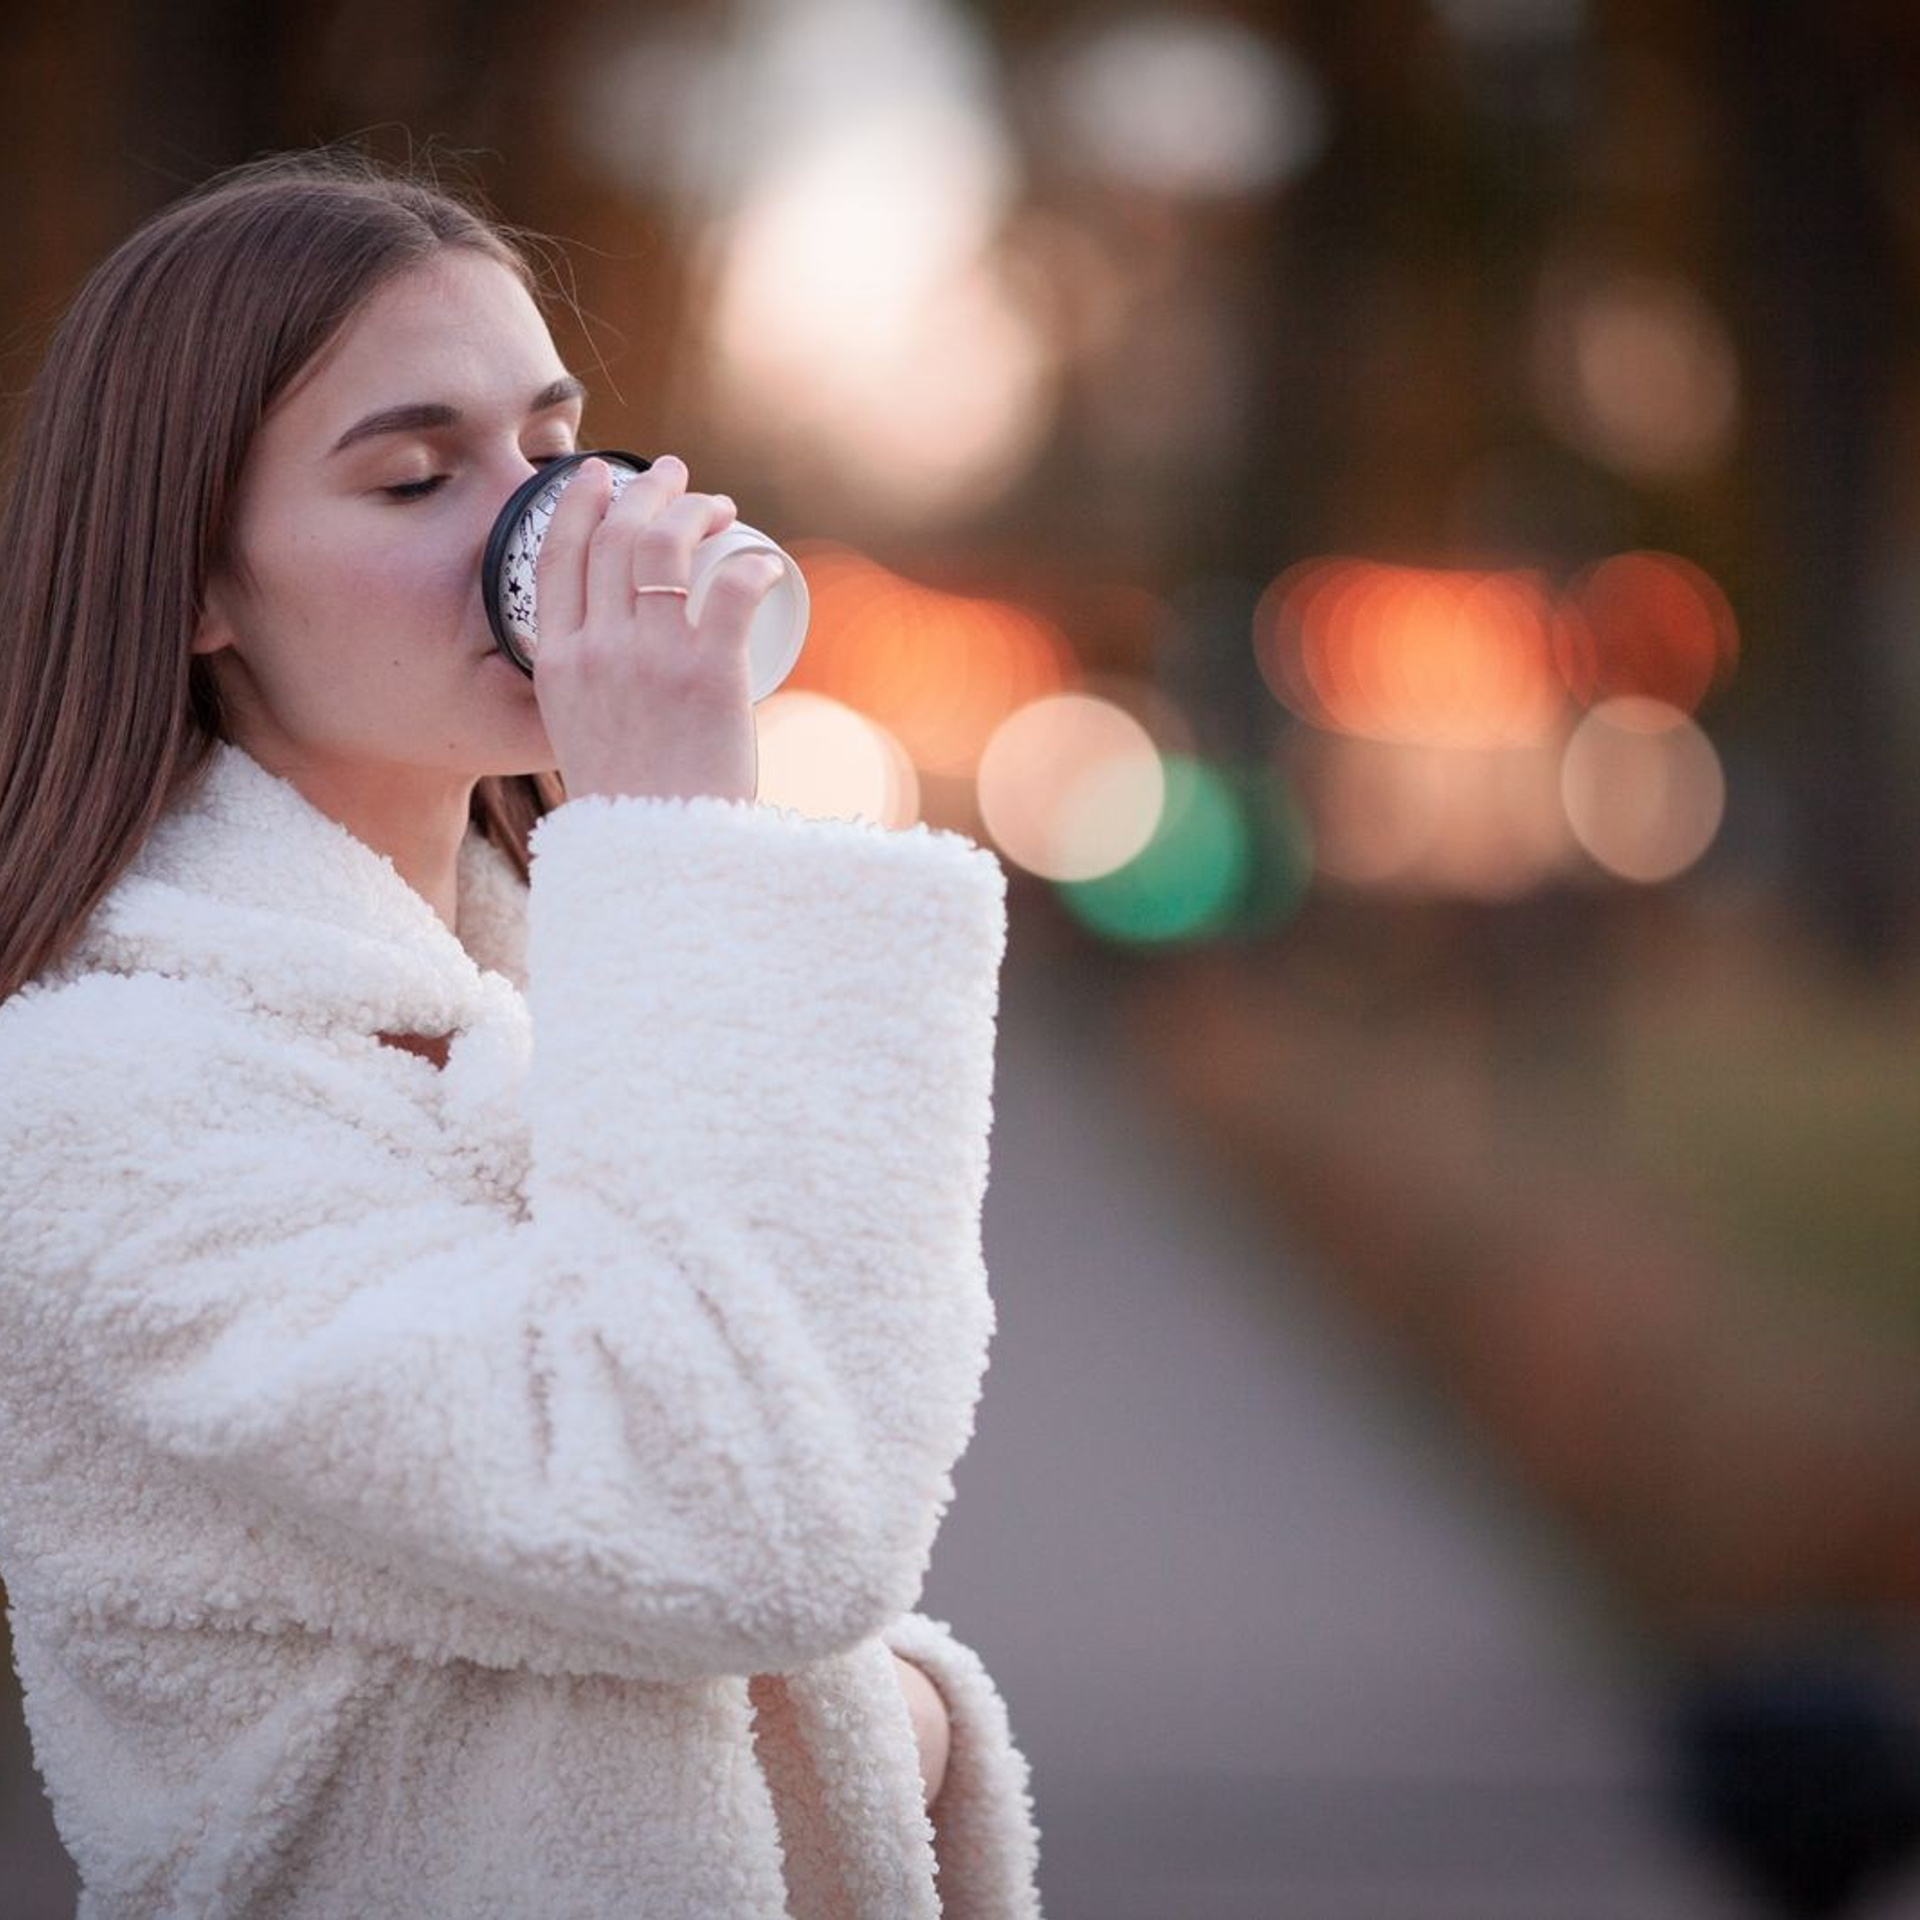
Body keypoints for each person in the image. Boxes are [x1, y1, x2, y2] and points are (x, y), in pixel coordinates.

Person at [0, 147, 1042, 1919]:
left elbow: (792, 1490)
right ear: (195, 587)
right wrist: (693, 850)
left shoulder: (558, 1004)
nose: (534, 529)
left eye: (550, 456)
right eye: (418, 476)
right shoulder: (90, 1103)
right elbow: (751, 1526)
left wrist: (884, 1728)